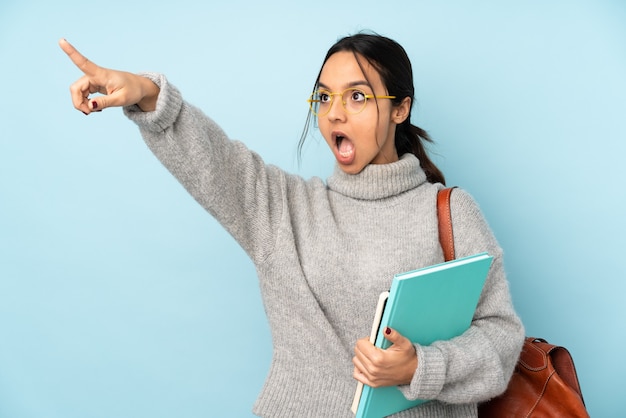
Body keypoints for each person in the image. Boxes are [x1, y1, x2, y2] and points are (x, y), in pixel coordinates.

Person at [59, 33, 524, 417]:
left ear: (401, 108)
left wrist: (420, 367)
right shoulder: (284, 209)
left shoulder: (449, 211)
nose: (335, 113)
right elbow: (215, 160)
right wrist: (147, 93)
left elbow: (501, 339)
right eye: (324, 98)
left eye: (357, 96)